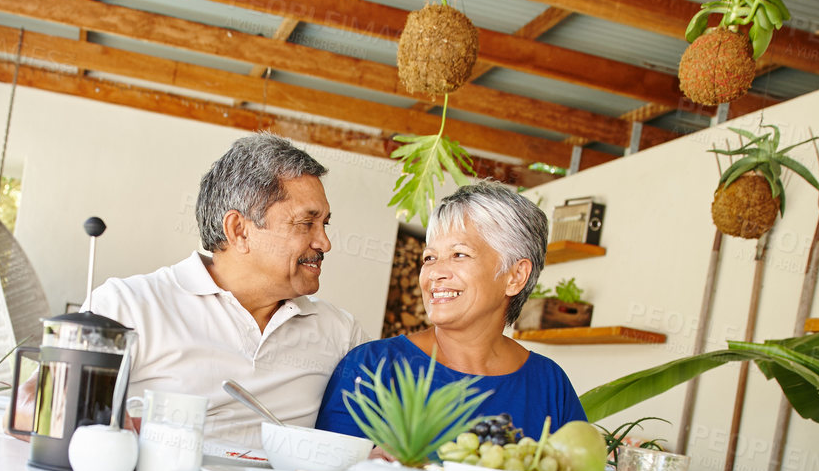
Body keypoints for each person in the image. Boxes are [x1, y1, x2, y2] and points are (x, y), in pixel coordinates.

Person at [81, 134, 368, 447]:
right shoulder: (128, 305)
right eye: (306, 223)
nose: (324, 242)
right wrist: (121, 428)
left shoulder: (341, 334)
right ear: (239, 231)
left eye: (324, 223)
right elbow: (37, 406)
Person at [315, 181, 585, 443]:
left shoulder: (550, 384)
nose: (434, 273)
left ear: (515, 276)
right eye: (429, 258)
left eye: (459, 255)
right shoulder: (372, 367)